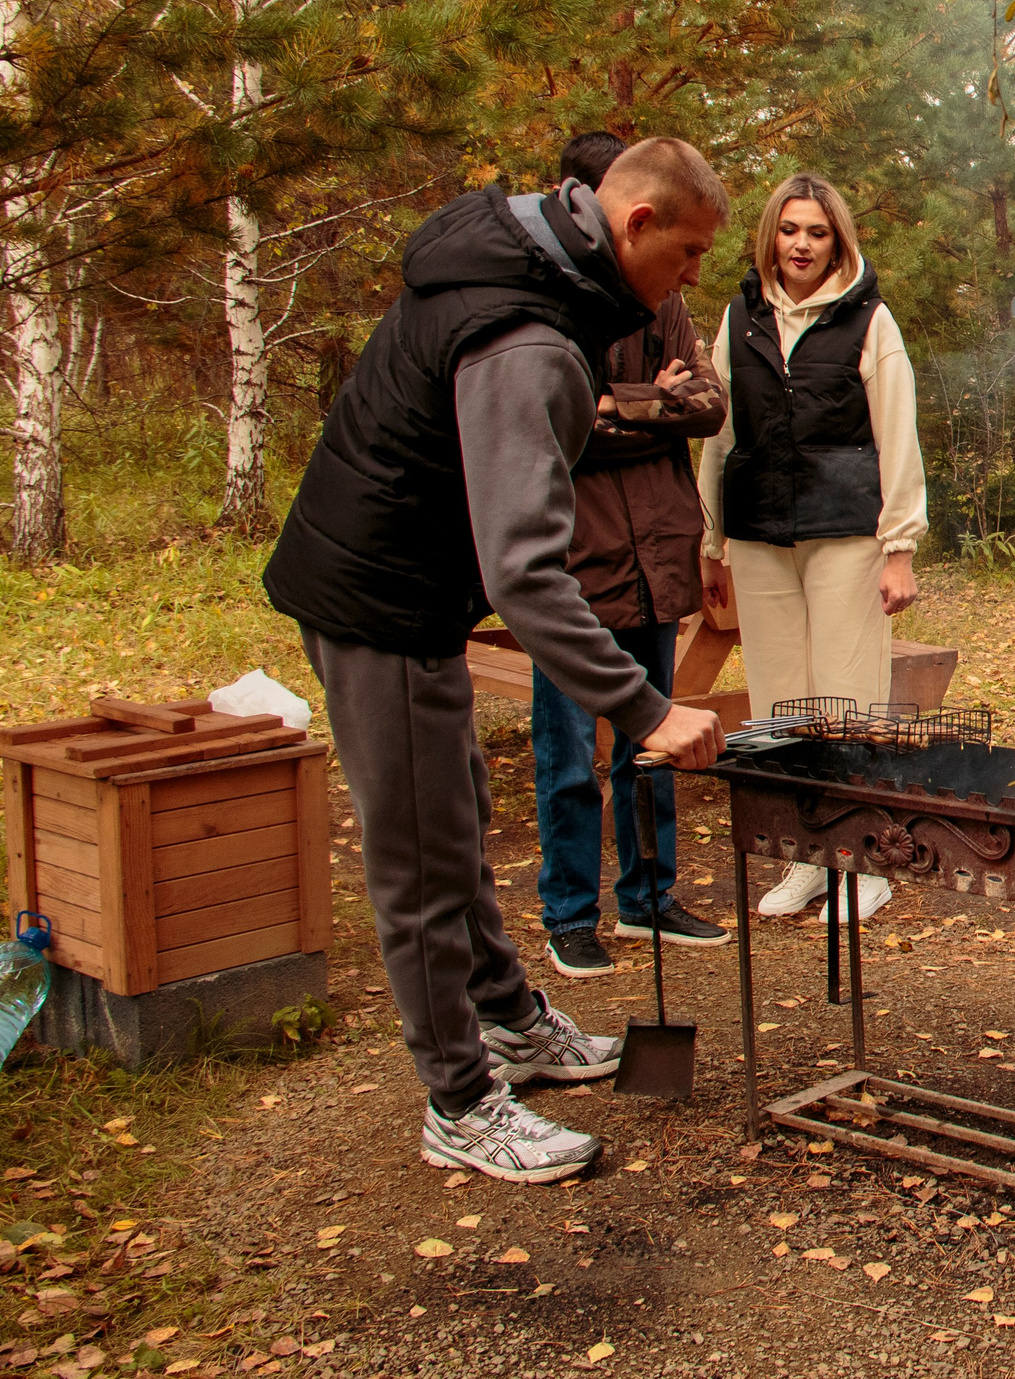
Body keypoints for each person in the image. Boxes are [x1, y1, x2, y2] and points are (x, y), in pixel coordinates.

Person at [265, 139, 729, 1185]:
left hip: (410, 587)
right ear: (634, 227)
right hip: (378, 598)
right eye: (689, 252)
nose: (693, 277)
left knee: (455, 820)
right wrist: (643, 708)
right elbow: (527, 573)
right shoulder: (524, 334)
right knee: (421, 863)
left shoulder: (530, 264)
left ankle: (510, 1021)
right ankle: (462, 1100)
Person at [695, 171, 926, 920]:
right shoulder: (741, 316)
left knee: (849, 701)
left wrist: (900, 545)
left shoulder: (869, 320)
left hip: (847, 533)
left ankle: (865, 863)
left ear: (837, 242)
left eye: (817, 232)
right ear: (772, 236)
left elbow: (896, 431)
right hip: (761, 535)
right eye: (790, 230)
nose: (801, 244)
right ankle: (805, 857)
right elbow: (719, 433)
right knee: (778, 708)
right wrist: (710, 539)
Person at [530, 131, 732, 981]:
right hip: (577, 563)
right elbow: (556, 426)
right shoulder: (546, 304)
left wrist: (620, 406)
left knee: (651, 742)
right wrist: (653, 401)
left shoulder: (664, 302)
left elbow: (710, 404)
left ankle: (648, 895)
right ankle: (569, 913)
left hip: (657, 549)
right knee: (567, 754)